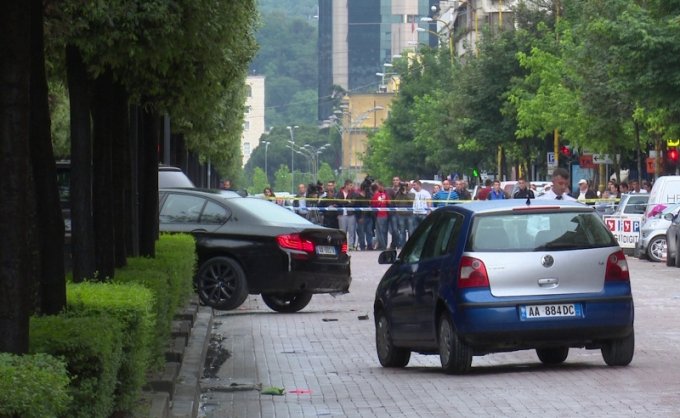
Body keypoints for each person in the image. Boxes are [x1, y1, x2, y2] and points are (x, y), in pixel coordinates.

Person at [335, 179, 358, 250]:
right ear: (346, 185)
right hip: (341, 215)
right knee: (342, 232)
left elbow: (353, 203)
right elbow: (338, 202)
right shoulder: (339, 193)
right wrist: (347, 202)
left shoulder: (353, 193)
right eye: (350, 185)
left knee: (351, 231)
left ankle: (351, 246)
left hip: (351, 215)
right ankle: (343, 246)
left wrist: (344, 203)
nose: (352, 187)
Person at [370, 182, 390, 250]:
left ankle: (382, 246)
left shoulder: (375, 196)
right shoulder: (384, 194)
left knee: (379, 231)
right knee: (384, 231)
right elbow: (388, 202)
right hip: (385, 214)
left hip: (379, 215)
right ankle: (384, 244)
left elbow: (373, 205)